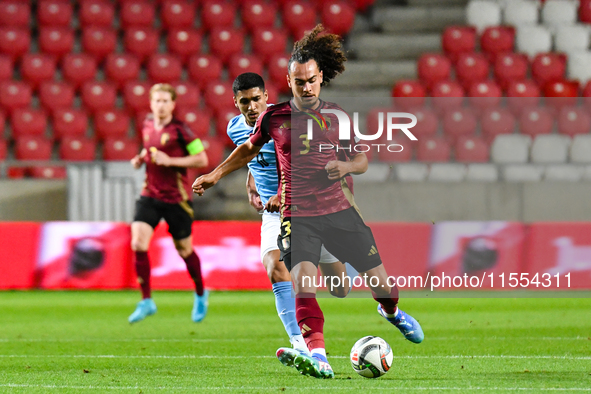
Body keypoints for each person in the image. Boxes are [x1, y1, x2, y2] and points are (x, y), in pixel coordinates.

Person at [193, 25, 423, 379]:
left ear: (320, 79)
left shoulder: (336, 117)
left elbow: (359, 161)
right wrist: (225, 177)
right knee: (288, 273)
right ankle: (313, 353)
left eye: (311, 79)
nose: (305, 86)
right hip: (291, 214)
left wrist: (344, 167)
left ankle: (391, 312)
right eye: (298, 80)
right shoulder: (268, 120)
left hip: (333, 209)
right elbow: (252, 153)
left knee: (343, 288)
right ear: (289, 80)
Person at [227, 72, 351, 356]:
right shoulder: (233, 128)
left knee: (339, 287)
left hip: (311, 204)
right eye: (244, 101)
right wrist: (251, 177)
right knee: (275, 266)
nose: (251, 106)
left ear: (266, 98)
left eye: (256, 99)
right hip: (275, 215)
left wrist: (281, 192)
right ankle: (300, 344)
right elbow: (249, 153)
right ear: (236, 102)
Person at [128, 83, 209, 324]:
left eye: (165, 101)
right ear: (151, 104)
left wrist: (170, 160)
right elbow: (149, 149)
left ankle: (200, 293)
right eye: (157, 101)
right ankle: (146, 301)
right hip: (150, 195)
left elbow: (202, 158)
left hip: (177, 199)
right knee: (137, 242)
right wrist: (141, 158)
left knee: (184, 250)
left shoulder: (182, 130)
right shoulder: (147, 125)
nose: (160, 105)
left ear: (173, 104)